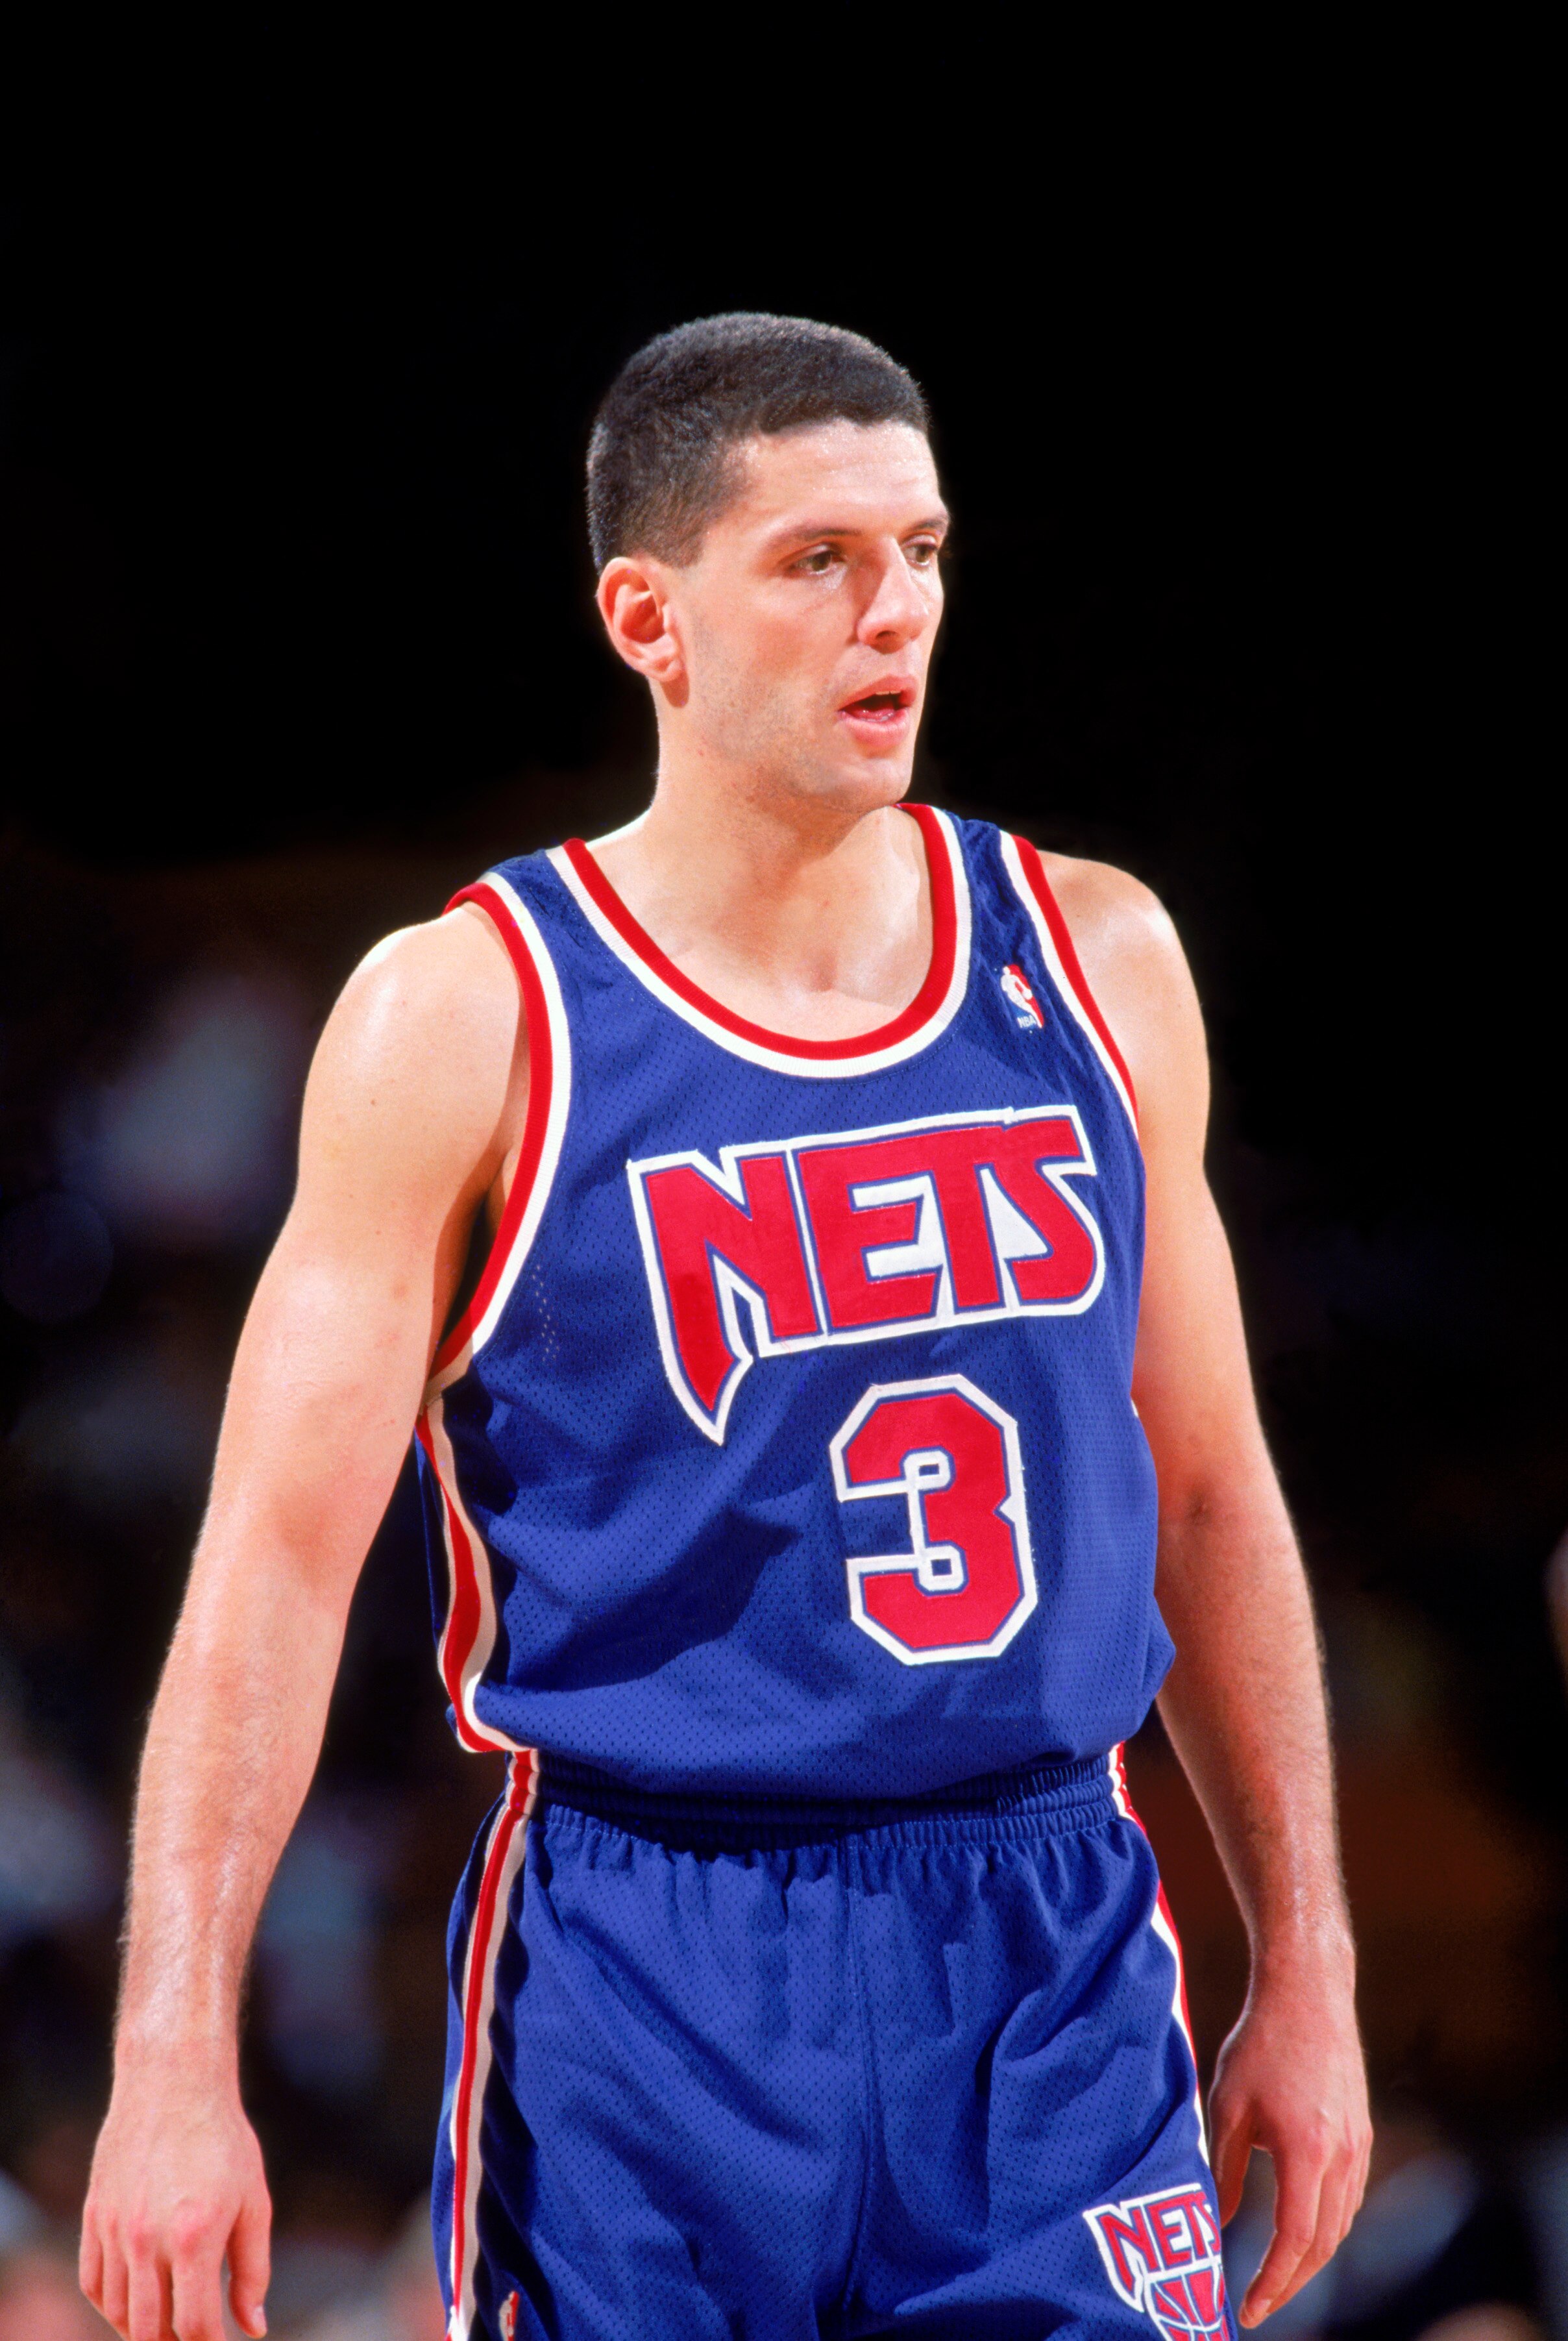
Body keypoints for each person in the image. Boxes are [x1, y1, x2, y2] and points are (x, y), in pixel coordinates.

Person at [80, 314, 1370, 2341]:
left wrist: (1308, 1966)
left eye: (925, 551)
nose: (899, 615)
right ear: (647, 616)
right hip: (646, 1959)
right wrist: (169, 2065)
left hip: (1049, 1939)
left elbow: (1211, 1493)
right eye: (819, 561)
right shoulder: (468, 1015)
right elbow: (270, 1569)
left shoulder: (1098, 956)